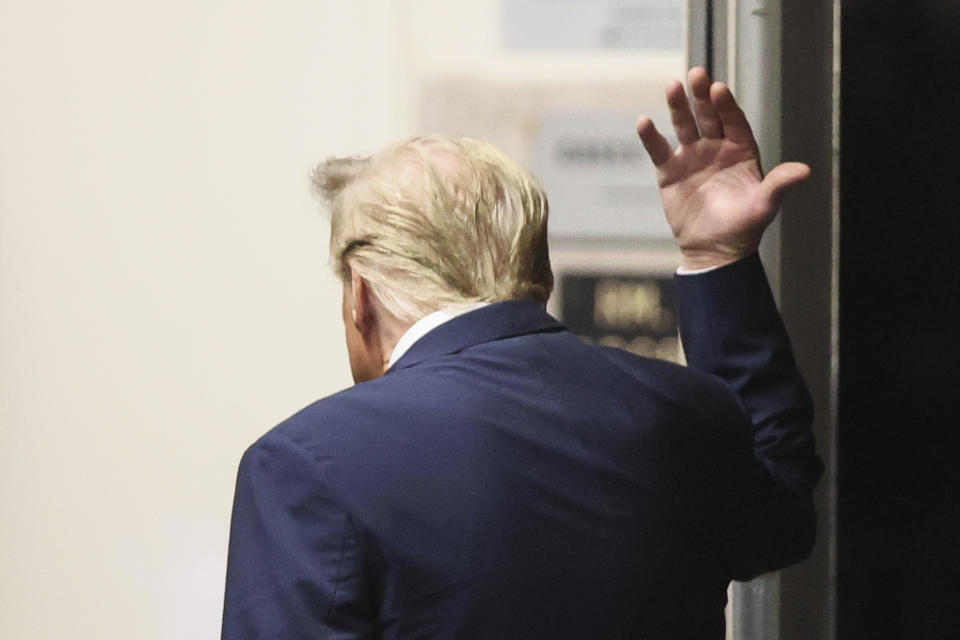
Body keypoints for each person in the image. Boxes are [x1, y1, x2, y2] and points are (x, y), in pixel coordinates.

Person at [221, 68, 823, 639]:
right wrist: (720, 260)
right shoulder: (685, 413)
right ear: (540, 276)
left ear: (362, 294)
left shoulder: (306, 466)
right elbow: (785, 513)